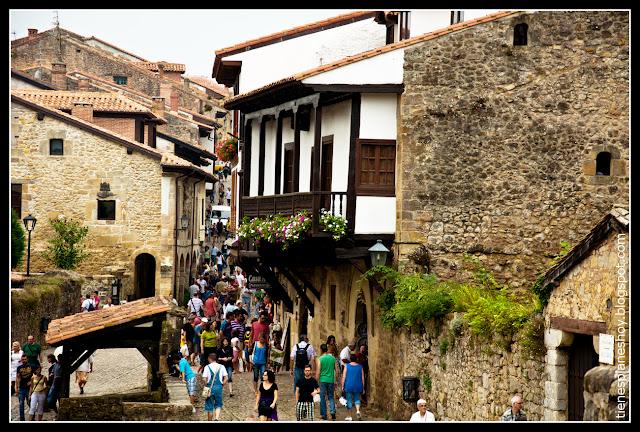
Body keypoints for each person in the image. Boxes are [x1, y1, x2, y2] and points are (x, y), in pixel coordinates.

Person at [202, 353, 228, 421]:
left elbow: (204, 379)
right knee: (218, 404)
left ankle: (209, 421)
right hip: (219, 387)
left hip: (210, 387)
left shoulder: (207, 367)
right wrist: (222, 385)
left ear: (210, 359)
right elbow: (226, 378)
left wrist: (206, 385)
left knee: (209, 406)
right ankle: (216, 418)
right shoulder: (221, 366)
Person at [317, 343, 339, 420]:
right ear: (326, 349)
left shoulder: (320, 359)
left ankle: (324, 414)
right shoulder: (332, 358)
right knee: (331, 397)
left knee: (322, 397)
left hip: (322, 380)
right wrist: (336, 380)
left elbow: (318, 371)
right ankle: (332, 411)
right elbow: (337, 370)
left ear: (321, 350)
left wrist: (316, 381)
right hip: (331, 380)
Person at [341, 354, 364, 421]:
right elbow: (362, 378)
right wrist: (363, 387)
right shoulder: (360, 367)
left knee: (349, 400)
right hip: (358, 385)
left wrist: (342, 385)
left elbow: (344, 376)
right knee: (357, 399)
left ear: (350, 359)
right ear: (356, 359)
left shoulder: (347, 366)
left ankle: (350, 416)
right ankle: (357, 411)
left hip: (349, 385)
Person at [179, 348, 197, 413]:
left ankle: (192, 407)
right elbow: (182, 370)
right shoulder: (183, 360)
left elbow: (183, 371)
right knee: (191, 392)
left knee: (191, 393)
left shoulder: (181, 362)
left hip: (190, 377)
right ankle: (192, 405)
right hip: (191, 376)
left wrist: (183, 379)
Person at [15, 355, 33, 421]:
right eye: (22, 359)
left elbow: (38, 372)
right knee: (21, 404)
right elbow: (18, 378)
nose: (24, 361)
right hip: (22, 389)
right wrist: (17, 388)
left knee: (30, 403)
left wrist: (32, 381)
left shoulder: (31, 366)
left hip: (29, 389)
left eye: (25, 359)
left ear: (27, 359)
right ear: (21, 360)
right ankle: (22, 419)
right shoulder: (19, 367)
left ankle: (32, 417)